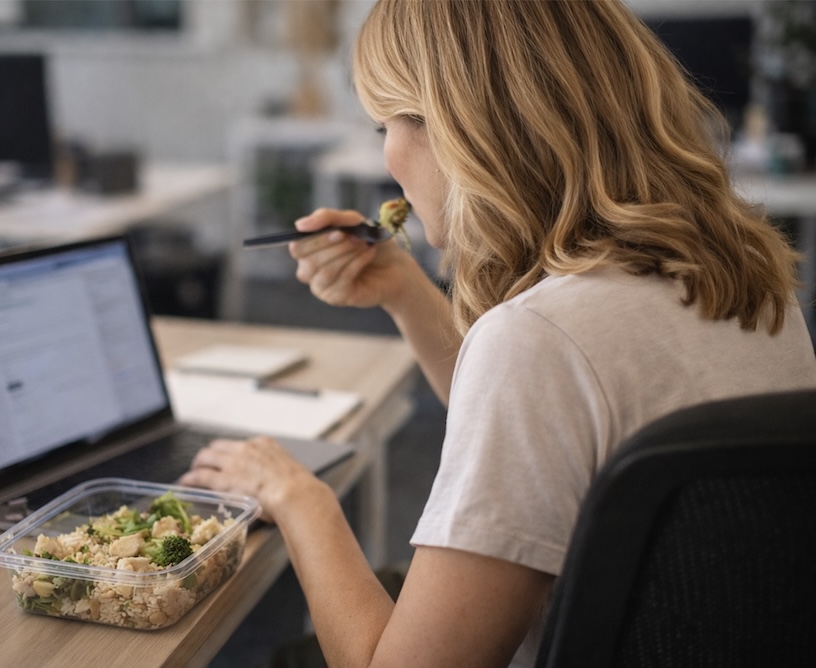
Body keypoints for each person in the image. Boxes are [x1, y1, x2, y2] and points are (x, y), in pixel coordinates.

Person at [180, 1, 816, 666]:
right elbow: (547, 445)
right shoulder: (744, 279)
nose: (389, 155)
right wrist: (404, 291)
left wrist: (299, 497)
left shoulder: (540, 337)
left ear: (460, 131)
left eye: (387, 124)